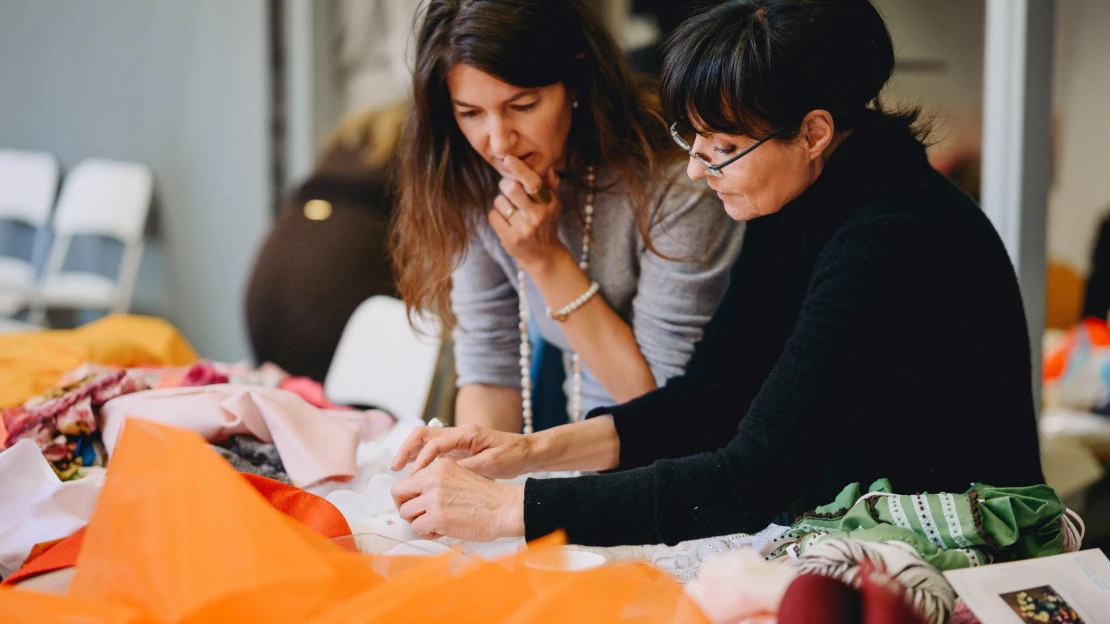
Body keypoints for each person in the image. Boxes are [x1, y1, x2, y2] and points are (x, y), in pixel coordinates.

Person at [388, 0, 1045, 547]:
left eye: (724, 148)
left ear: (814, 132)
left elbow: (751, 477)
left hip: (959, 549)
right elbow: (706, 402)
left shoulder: (892, 237)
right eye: (692, 140)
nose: (699, 170)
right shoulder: (797, 199)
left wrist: (513, 509)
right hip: (854, 528)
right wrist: (523, 454)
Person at [391, 0, 743, 433]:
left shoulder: (676, 184)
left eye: (522, 106)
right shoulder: (473, 179)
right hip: (578, 457)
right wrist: (471, 479)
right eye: (470, 113)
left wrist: (546, 261)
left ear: (574, 80)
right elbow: (487, 371)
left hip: (677, 463)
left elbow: (661, 405)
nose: (499, 142)